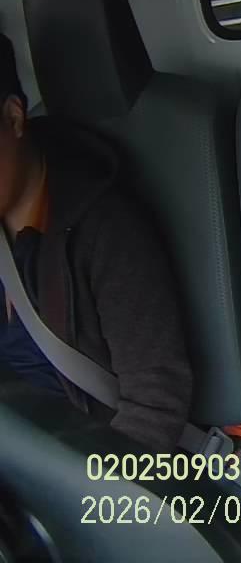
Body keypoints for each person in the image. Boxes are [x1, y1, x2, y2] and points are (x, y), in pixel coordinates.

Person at [0, 33, 192, 452]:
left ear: (13, 118)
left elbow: (155, 400)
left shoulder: (105, 229)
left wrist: (94, 488)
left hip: (88, 464)